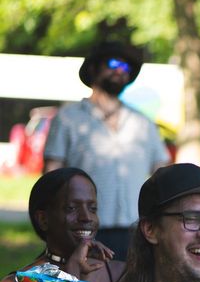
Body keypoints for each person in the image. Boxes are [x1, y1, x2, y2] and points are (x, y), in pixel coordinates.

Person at [44, 39, 170, 259]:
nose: (121, 71)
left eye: (126, 68)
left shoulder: (143, 122)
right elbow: (51, 175)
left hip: (136, 232)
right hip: (82, 230)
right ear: (93, 68)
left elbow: (162, 172)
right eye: (114, 64)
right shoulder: (68, 118)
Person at [1, 167, 125, 282]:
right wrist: (72, 269)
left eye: (93, 208)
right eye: (72, 208)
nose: (86, 217)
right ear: (43, 219)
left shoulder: (120, 274)